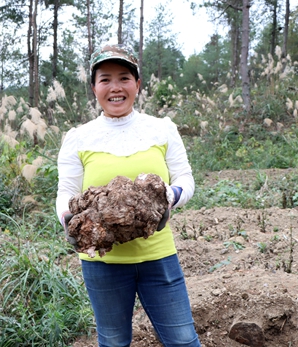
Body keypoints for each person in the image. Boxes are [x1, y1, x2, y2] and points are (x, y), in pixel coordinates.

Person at [56, 44, 200, 347]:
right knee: (113, 342)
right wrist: (69, 223)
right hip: (102, 262)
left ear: (138, 84)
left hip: (158, 256)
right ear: (94, 87)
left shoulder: (162, 129)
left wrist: (168, 198)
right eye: (105, 79)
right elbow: (66, 193)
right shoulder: (78, 138)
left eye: (124, 77)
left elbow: (185, 179)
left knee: (183, 341)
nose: (115, 87)